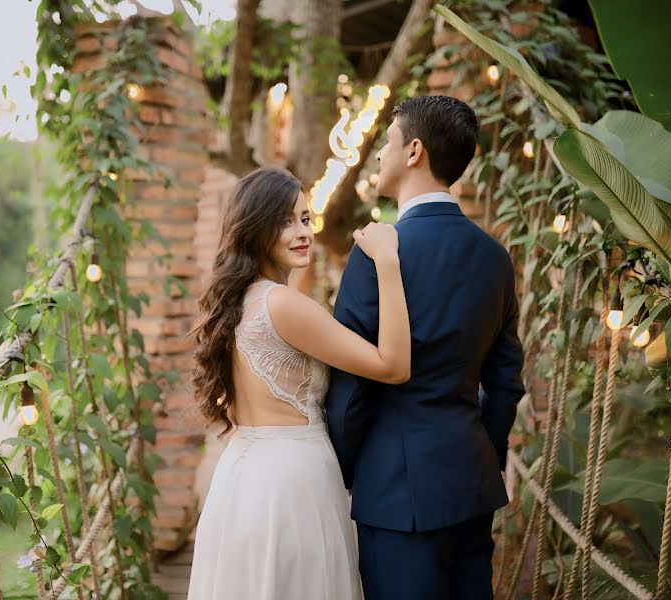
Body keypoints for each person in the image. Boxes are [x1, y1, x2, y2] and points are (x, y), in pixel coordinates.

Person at [326, 95, 526, 600]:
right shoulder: (495, 258)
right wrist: (484, 456)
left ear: (414, 151)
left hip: (394, 492)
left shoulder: (375, 251)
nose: (378, 156)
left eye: (386, 143)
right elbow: (505, 383)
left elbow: (350, 391)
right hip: (470, 483)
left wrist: (349, 471)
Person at [187, 166, 410, 600]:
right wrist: (387, 261)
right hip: (292, 486)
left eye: (305, 219)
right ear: (254, 229)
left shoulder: (236, 302)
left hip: (239, 480)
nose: (302, 231)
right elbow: (393, 366)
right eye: (284, 221)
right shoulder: (282, 304)